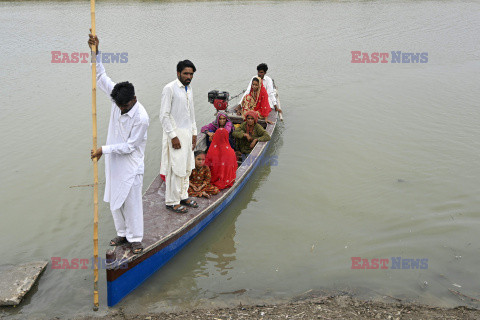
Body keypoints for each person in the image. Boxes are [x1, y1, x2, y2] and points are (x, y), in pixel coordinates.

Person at [88, 33, 149, 255]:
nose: (120, 109)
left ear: (133, 100)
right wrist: (96, 52)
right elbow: (101, 76)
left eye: (123, 106)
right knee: (115, 199)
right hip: (114, 162)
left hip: (131, 164)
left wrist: (104, 149)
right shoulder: (117, 98)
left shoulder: (141, 117)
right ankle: (122, 233)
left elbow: (130, 147)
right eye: (118, 105)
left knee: (132, 202)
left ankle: (135, 238)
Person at [159, 59, 199, 214]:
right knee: (175, 168)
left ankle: (183, 196)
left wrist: (195, 133)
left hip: (188, 133)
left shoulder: (189, 89)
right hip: (175, 134)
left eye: (191, 74)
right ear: (178, 73)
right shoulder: (170, 88)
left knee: (187, 167)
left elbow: (192, 114)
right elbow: (164, 115)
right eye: (186, 73)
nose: (188, 76)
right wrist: (173, 136)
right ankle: (172, 201)